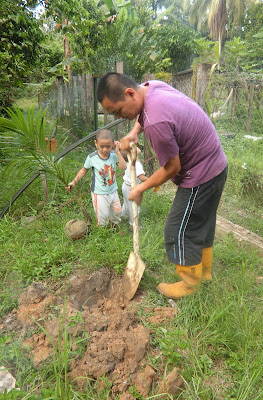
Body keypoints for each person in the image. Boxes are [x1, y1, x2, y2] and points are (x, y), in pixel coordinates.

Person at [97, 73, 227, 299]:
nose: (119, 116)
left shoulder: (156, 121)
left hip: (201, 173)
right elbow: (141, 117)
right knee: (202, 222)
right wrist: (133, 132)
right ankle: (204, 273)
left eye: (118, 110)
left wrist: (140, 189)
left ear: (129, 94)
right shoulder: (151, 88)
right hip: (216, 164)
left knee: (178, 228)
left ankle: (190, 283)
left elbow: (172, 167)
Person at [65, 128, 126, 227]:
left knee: (117, 211)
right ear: (96, 143)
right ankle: (103, 232)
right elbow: (83, 170)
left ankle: (115, 227)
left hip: (113, 191)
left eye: (108, 146)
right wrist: (74, 182)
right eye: (102, 146)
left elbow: (124, 167)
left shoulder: (114, 155)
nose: (105, 150)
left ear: (113, 144)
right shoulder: (92, 158)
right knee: (103, 216)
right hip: (99, 193)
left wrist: (118, 151)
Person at [120, 147, 148, 229]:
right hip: (132, 188)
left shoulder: (130, 162)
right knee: (134, 206)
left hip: (125, 186)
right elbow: (141, 177)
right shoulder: (137, 164)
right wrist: (153, 180)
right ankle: (133, 225)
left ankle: (124, 216)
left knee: (126, 203)